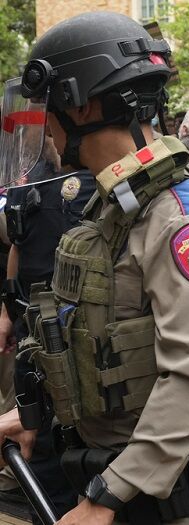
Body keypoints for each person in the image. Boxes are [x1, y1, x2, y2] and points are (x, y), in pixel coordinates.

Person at [0, 12, 189, 524]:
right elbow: (98, 341)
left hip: (161, 497)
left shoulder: (183, 221)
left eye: (49, 109)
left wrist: (105, 499)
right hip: (118, 476)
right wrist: (33, 416)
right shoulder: (119, 207)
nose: (45, 129)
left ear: (85, 106)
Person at [0, 138, 93, 519]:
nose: (46, 139)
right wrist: (8, 312)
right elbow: (18, 244)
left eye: (51, 130)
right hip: (31, 333)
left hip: (76, 340)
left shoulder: (101, 184)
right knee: (39, 458)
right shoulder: (34, 177)